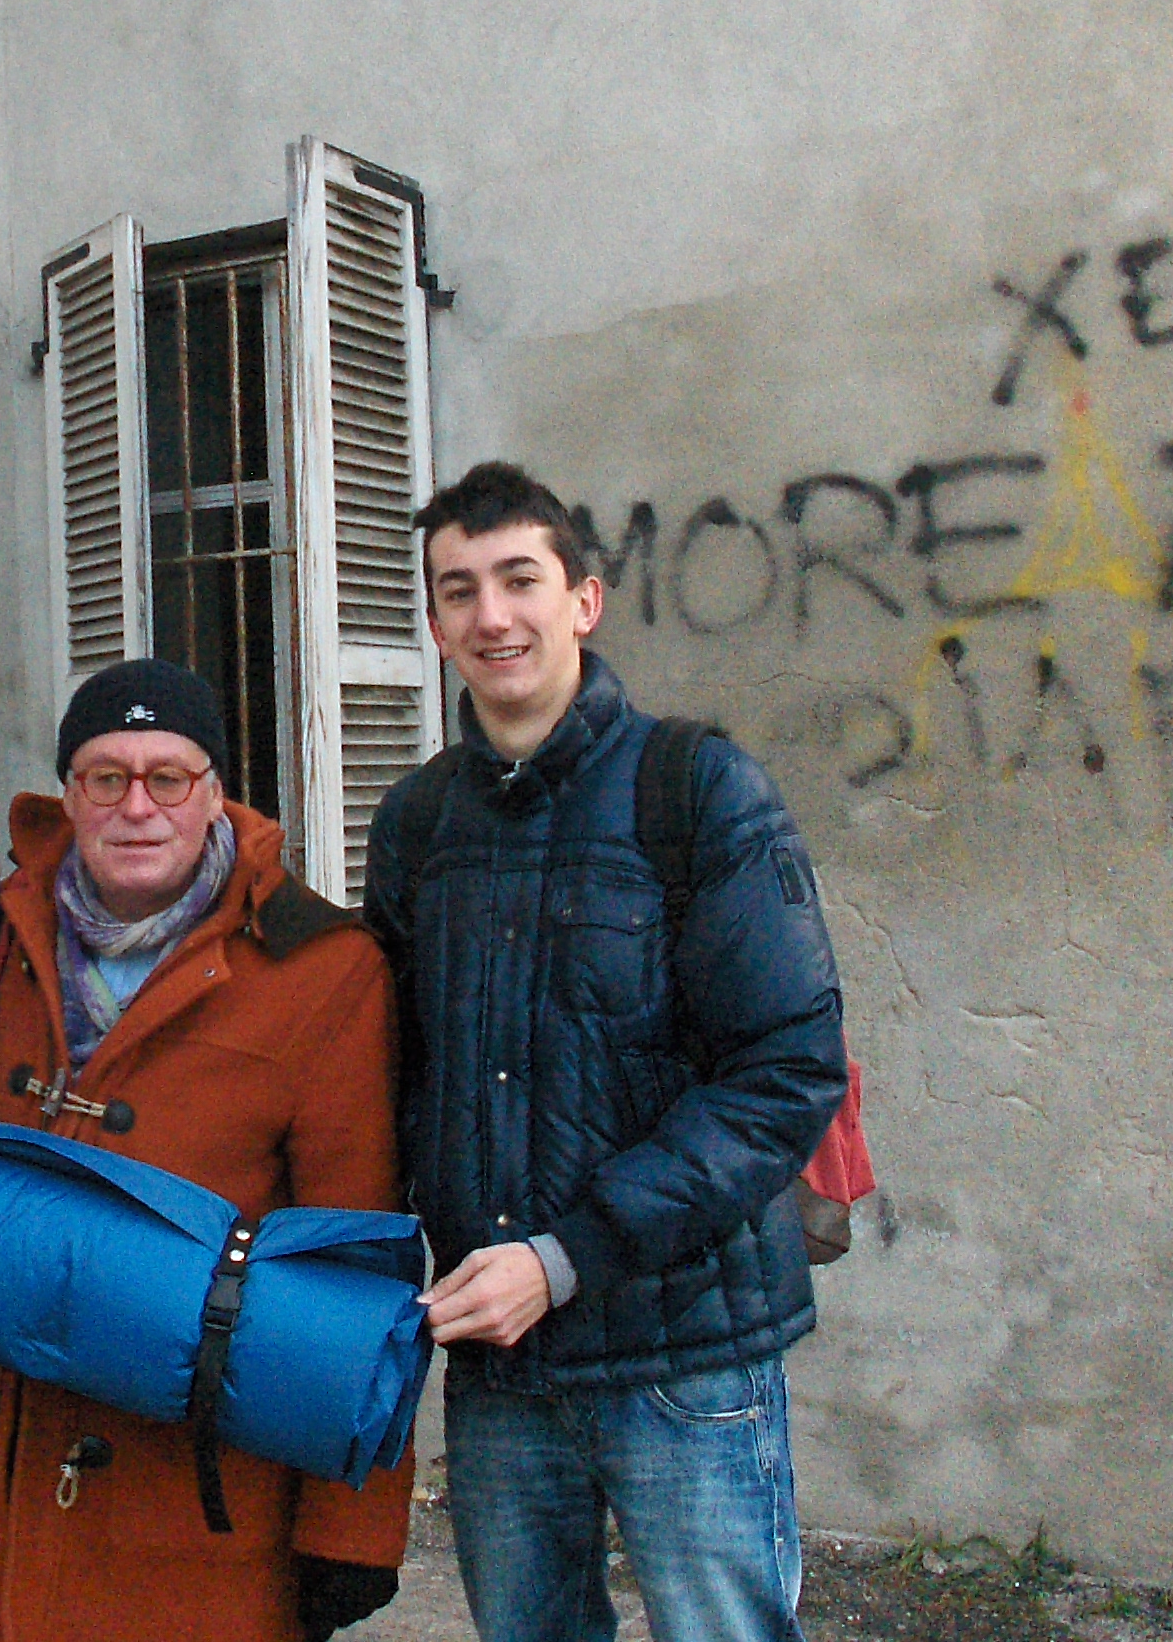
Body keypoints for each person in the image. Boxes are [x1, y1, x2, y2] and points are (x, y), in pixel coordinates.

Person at [363, 462, 849, 1642]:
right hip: (502, 1367)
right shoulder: (417, 824)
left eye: (520, 579)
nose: (492, 616)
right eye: (460, 590)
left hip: (686, 1352)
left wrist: (570, 1253)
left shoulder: (697, 789)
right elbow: (389, 1075)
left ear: (582, 598)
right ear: (433, 625)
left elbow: (786, 1071)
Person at [0, 658, 411, 1642]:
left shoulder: (322, 968)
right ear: (69, 793)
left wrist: (352, 1531)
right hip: (4, 1472)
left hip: (193, 1502)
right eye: (107, 776)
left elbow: (359, 1264)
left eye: (169, 777)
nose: (136, 806)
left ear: (216, 793)